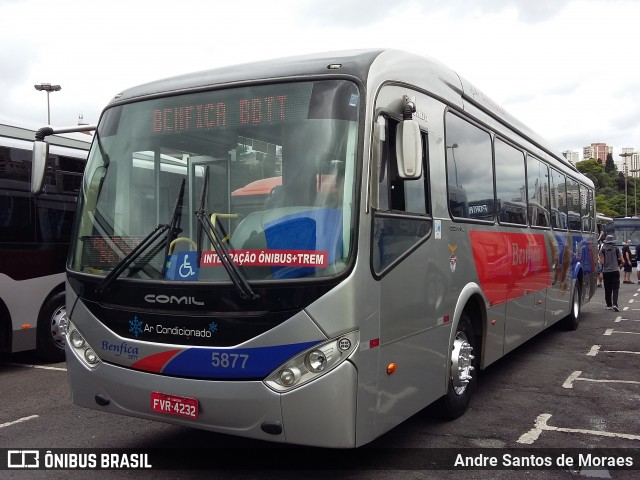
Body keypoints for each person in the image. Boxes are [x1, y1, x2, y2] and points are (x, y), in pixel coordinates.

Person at [600, 235, 622, 311]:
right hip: (615, 270)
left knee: (607, 288)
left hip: (606, 271)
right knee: (615, 288)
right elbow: (622, 260)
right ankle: (615, 304)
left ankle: (609, 304)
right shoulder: (616, 249)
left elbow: (602, 262)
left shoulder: (603, 249)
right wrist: (620, 265)